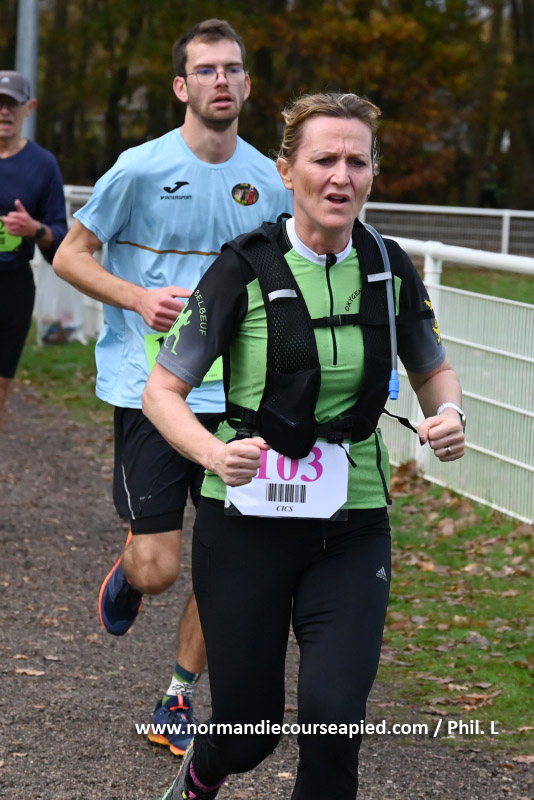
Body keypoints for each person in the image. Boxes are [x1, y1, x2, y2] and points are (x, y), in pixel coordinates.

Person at [142, 91, 466, 800]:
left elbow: (432, 369)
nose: (341, 176)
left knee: (333, 720)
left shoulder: (387, 266)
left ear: (373, 173)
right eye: (324, 160)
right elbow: (161, 391)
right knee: (248, 730)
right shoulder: (242, 266)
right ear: (287, 170)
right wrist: (210, 453)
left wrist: (448, 414)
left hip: (352, 522)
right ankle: (203, 771)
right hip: (245, 517)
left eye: (358, 161)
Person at [53, 19, 292, 756]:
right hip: (150, 389)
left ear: (247, 85)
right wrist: (135, 297)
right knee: (159, 568)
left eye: (233, 69)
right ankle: (131, 575)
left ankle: (177, 696)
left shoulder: (272, 180)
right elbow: (69, 255)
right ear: (183, 87)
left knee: (231, 566)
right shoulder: (139, 169)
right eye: (207, 70)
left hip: (239, 398)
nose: (222, 80)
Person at [0, 70, 67, 432]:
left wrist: (34, 229)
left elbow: (61, 237)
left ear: (30, 108)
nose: (4, 111)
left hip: (12, 287)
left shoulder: (43, 165)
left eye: (12, 104)